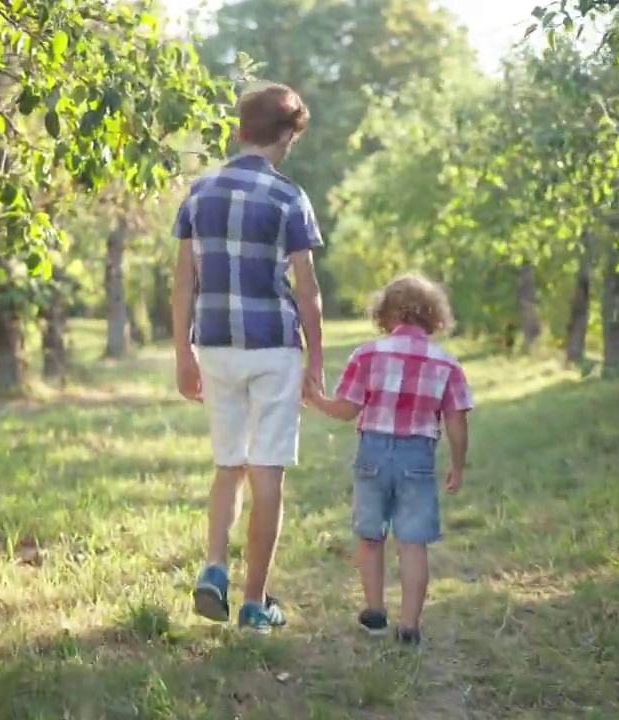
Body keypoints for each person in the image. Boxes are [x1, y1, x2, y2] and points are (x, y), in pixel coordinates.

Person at [169, 82, 325, 634]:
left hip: (213, 343)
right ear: (287, 136)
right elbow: (306, 289)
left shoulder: (199, 191)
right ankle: (255, 603)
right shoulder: (289, 197)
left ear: (240, 131)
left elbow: (184, 278)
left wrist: (182, 352)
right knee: (267, 473)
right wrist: (317, 361)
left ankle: (214, 568)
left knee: (227, 463)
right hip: (274, 346)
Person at [306, 273, 473, 646]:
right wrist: (458, 465)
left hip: (373, 453)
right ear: (432, 315)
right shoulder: (446, 363)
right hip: (418, 457)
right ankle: (410, 626)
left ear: (386, 312)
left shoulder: (367, 354)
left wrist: (317, 398)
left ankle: (375, 611)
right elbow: (457, 422)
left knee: (370, 535)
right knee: (413, 542)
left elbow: (347, 409)